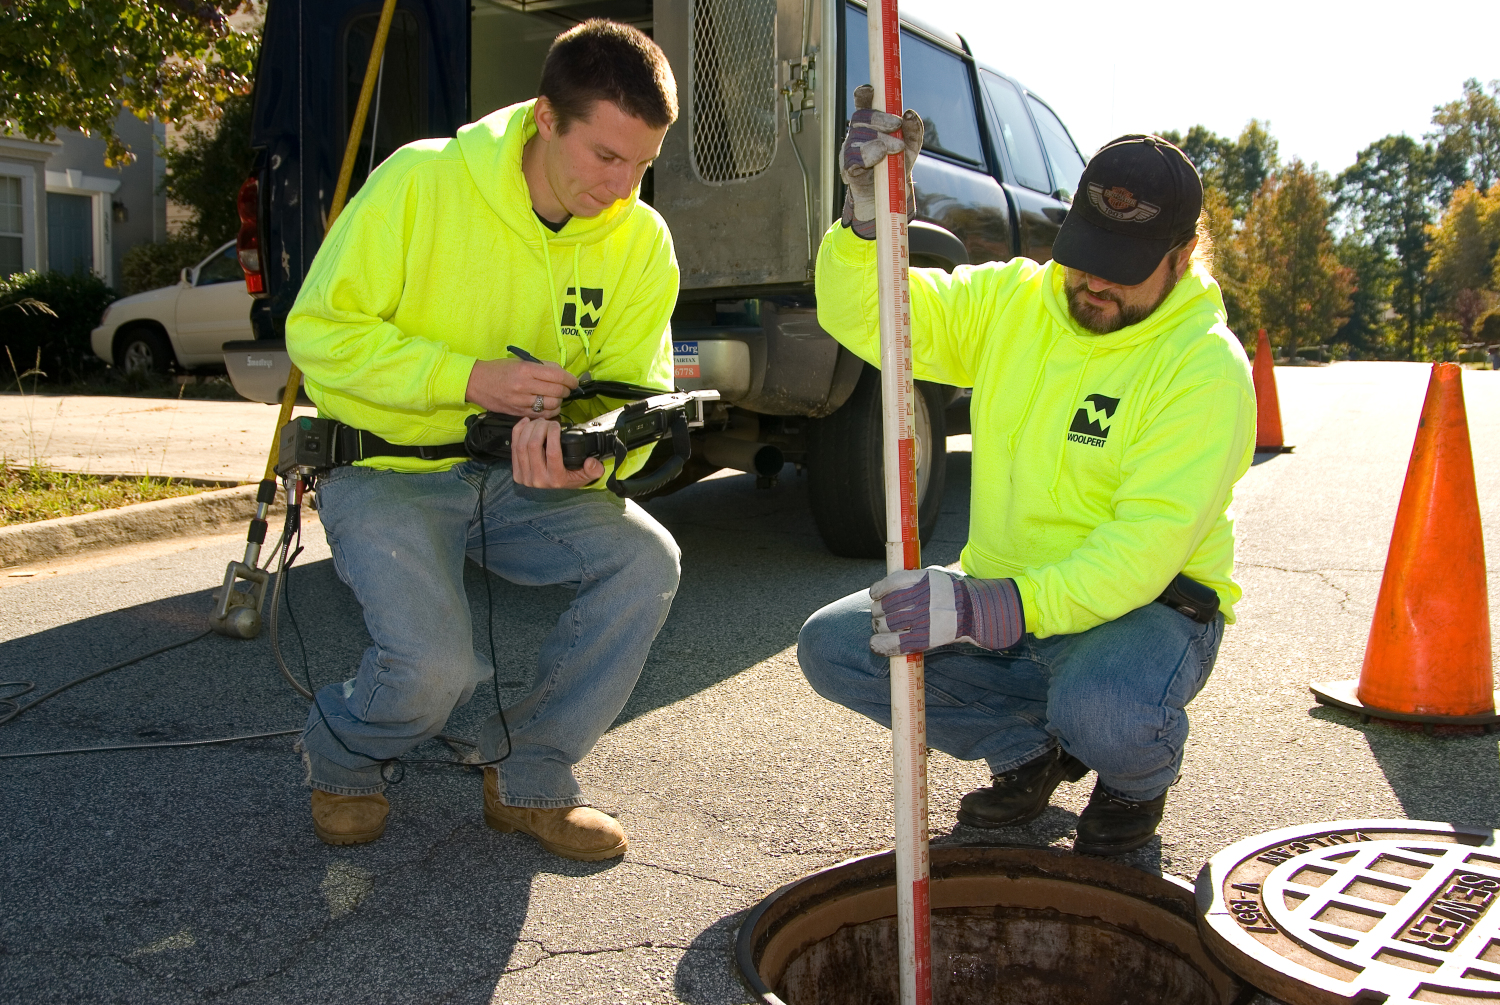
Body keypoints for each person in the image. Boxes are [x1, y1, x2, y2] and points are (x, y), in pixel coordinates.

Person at [798, 87, 1256, 856]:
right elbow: (873, 319)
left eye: (1125, 269)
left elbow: (1137, 554)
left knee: (1105, 709)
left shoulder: (1204, 368)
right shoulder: (1019, 300)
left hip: (1140, 614)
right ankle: (1029, 751)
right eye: (1086, 257)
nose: (1094, 284)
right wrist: (865, 225)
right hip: (1008, 600)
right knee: (837, 646)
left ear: (1182, 258)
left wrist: (983, 610)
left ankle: (1132, 777)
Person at [284, 20, 682, 860]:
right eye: (606, 157)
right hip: (386, 468)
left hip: (520, 481)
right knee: (435, 670)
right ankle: (347, 756)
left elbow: (633, 392)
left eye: (642, 164)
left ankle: (529, 776)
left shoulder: (641, 242)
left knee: (646, 563)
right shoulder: (420, 181)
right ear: (545, 116)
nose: (624, 186)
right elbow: (317, 333)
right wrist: (464, 378)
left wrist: (594, 458)